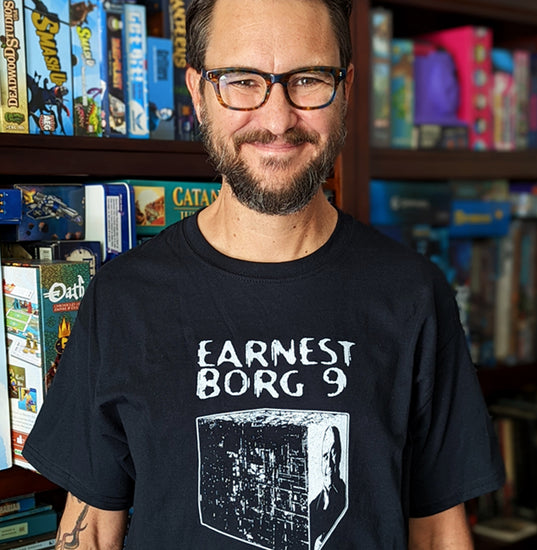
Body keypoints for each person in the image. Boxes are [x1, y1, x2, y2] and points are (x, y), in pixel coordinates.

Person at [22, 0, 505, 548]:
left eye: (307, 79)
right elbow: (89, 534)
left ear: (345, 88)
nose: (277, 120)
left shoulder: (414, 293)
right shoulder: (121, 298)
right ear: (199, 94)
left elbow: (441, 532)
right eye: (243, 81)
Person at [309, 425, 347, 549]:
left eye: (334, 453)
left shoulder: (350, 498)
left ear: (340, 455)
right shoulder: (312, 507)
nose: (329, 463)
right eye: (325, 456)